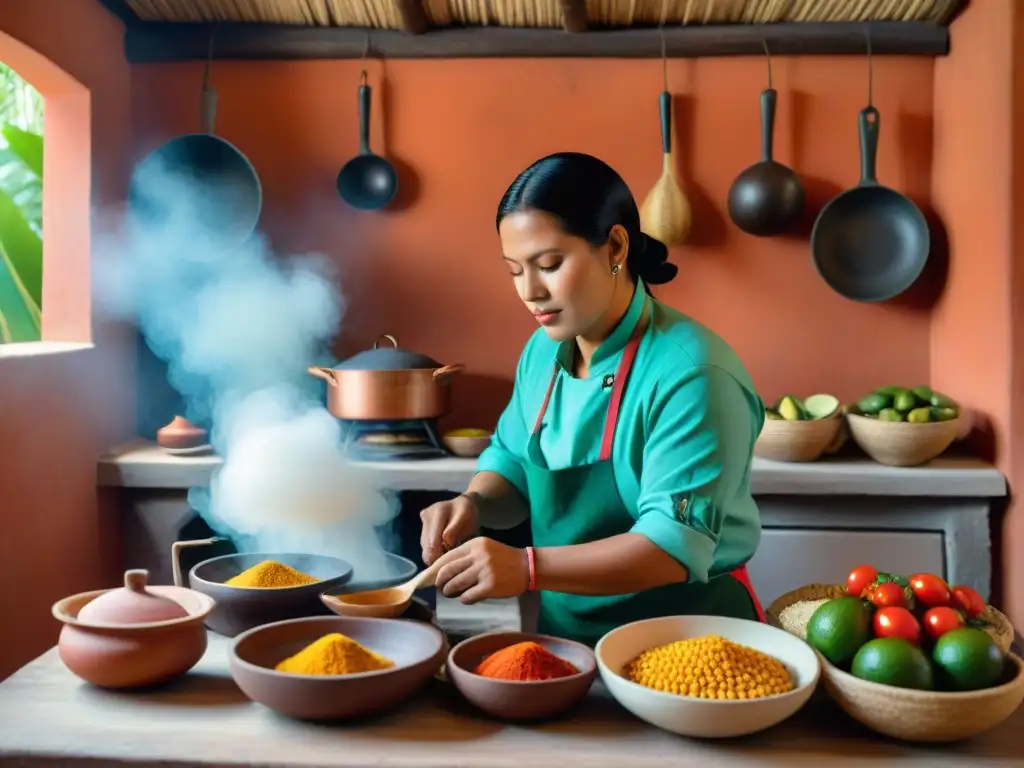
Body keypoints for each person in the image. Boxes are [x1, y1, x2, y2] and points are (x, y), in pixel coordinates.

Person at [419, 152, 766, 646]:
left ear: (615, 246)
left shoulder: (693, 375)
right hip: (567, 638)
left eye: (549, 264)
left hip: (691, 640)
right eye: (515, 270)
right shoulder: (542, 352)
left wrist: (526, 566)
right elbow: (514, 463)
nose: (530, 292)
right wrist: (473, 504)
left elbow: (671, 548)